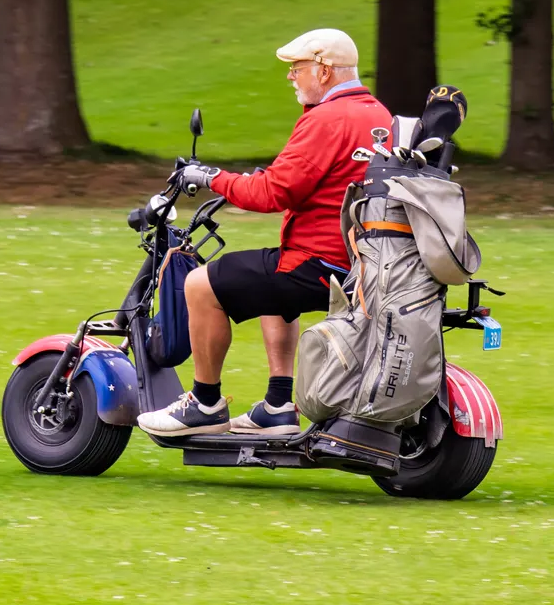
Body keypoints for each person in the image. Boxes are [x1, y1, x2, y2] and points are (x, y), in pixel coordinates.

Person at [137, 28, 392, 437]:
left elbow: (273, 193)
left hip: (319, 264)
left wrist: (211, 177)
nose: (291, 77)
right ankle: (276, 406)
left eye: (297, 68)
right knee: (267, 283)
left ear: (324, 71)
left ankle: (204, 403)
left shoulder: (328, 119)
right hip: (361, 264)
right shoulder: (378, 115)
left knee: (201, 285)